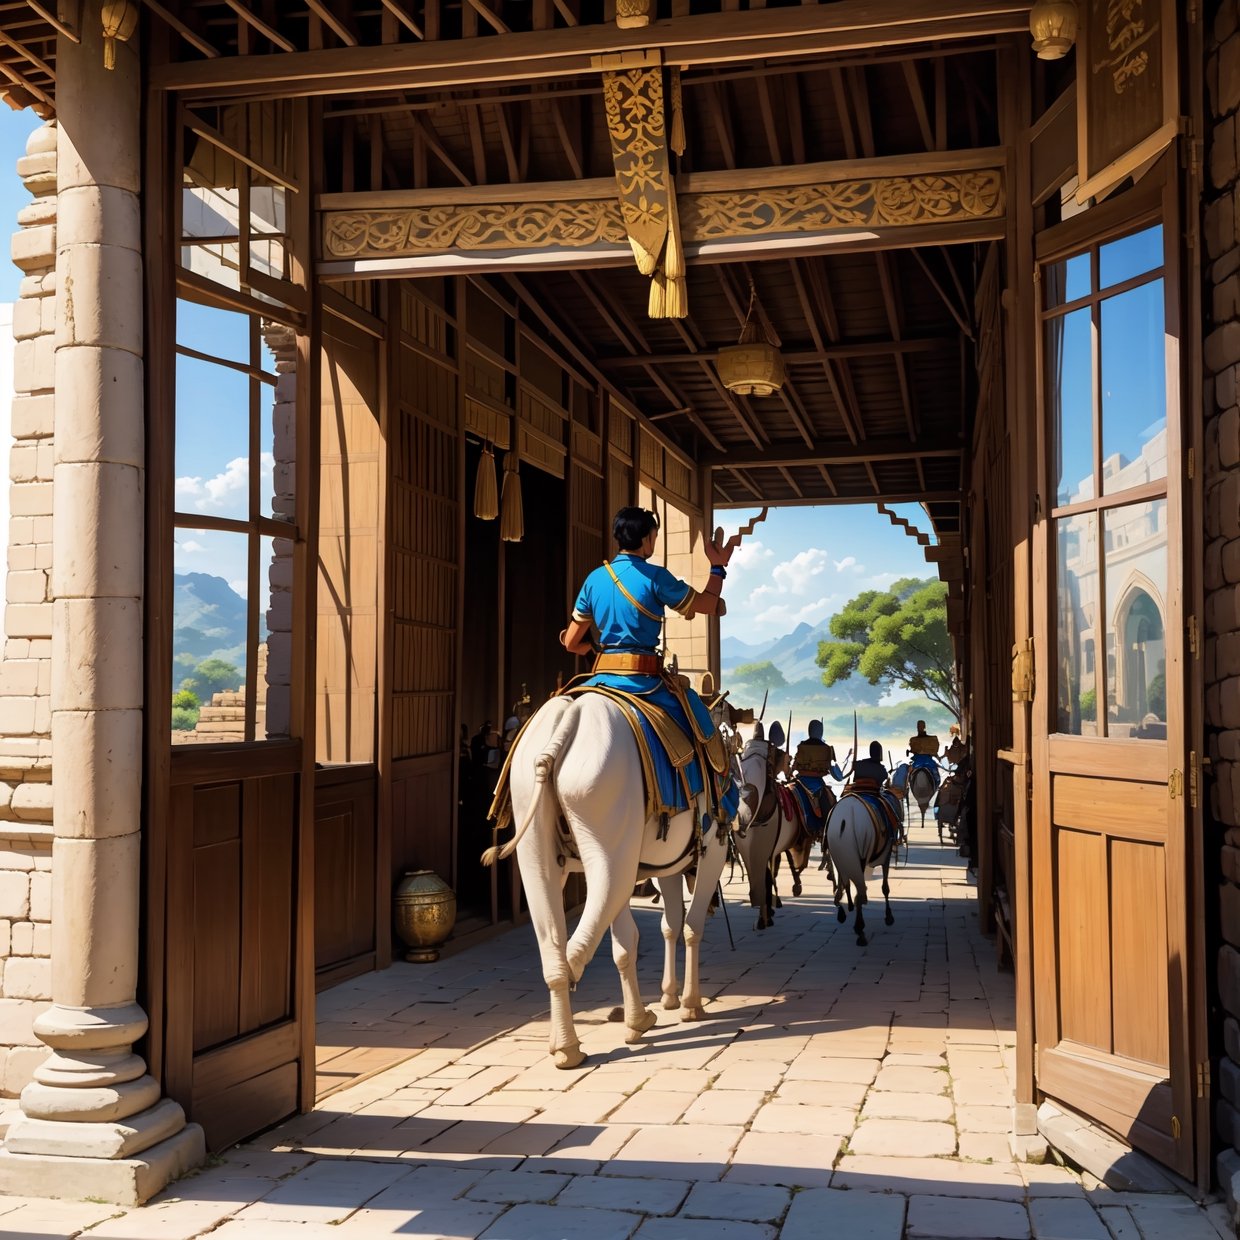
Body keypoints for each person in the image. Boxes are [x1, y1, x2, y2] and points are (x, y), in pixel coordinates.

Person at [559, 505, 738, 824]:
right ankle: (708, 807)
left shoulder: (594, 579)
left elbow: (571, 642)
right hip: (645, 681)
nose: (654, 540)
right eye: (654, 535)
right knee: (698, 720)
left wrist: (591, 648)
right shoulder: (656, 577)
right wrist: (717, 568)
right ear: (645, 539)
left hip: (599, 679)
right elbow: (710, 605)